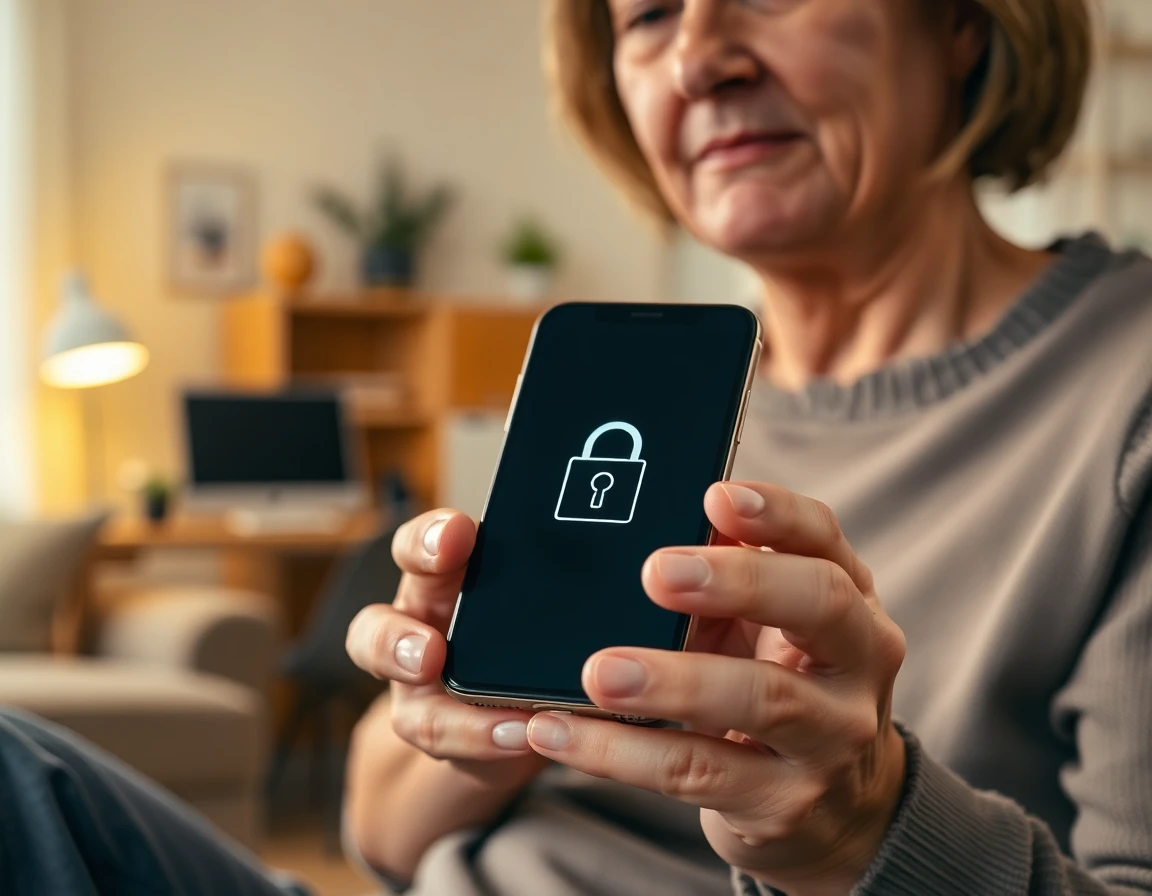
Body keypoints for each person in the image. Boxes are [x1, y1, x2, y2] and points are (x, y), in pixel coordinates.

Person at [2, 1, 1150, 894]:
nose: (701, 57)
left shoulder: (1124, 388)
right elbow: (381, 831)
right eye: (645, 17)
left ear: (960, 22)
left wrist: (863, 827)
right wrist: (482, 724)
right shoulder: (634, 398)